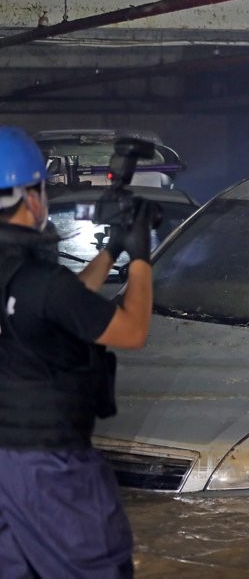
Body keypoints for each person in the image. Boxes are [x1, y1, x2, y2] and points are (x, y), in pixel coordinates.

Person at [0, 125, 154, 576]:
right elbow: (131, 331)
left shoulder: (28, 281)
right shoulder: (40, 282)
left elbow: (61, 306)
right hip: (48, 464)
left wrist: (110, 253)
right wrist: (141, 256)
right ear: (30, 196)